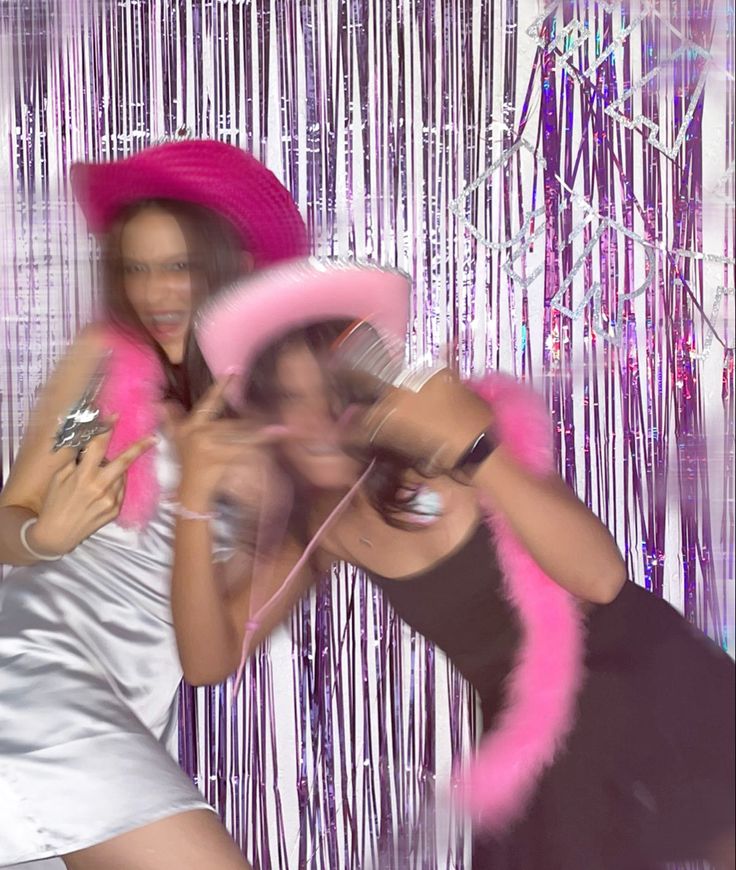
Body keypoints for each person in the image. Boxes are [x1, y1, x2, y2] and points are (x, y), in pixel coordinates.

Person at [169, 259, 736, 869]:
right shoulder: (320, 529)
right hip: (545, 748)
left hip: (652, 683)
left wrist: (477, 451)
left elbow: (600, 579)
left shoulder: (446, 448)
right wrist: (193, 501)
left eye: (331, 395)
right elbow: (207, 661)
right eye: (289, 401)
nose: (316, 425)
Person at [0, 138, 307, 870]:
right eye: (136, 269)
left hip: (130, 701)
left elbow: (220, 647)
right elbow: (14, 514)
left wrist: (260, 515)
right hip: (36, 673)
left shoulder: (283, 421)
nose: (154, 294)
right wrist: (46, 535)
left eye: (179, 268)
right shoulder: (102, 371)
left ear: (230, 269)